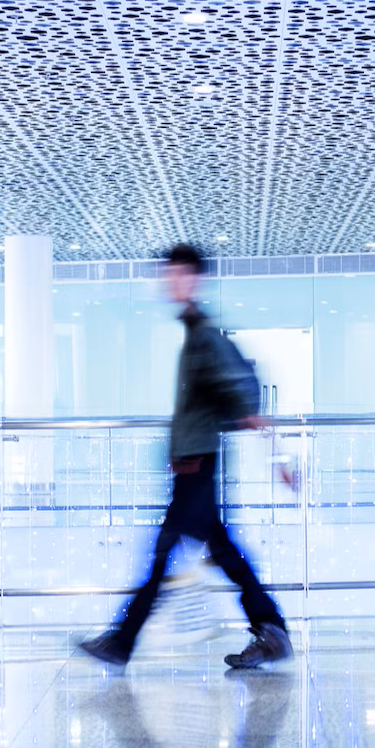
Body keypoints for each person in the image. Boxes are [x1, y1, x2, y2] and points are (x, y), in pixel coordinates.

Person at [78, 244, 292, 671]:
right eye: (168, 274)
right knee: (224, 554)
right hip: (194, 468)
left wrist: (279, 456)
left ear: (194, 279)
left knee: (163, 559)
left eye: (177, 274)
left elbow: (245, 398)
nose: (169, 282)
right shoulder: (196, 332)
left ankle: (123, 642)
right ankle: (271, 629)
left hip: (197, 467)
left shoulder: (205, 336)